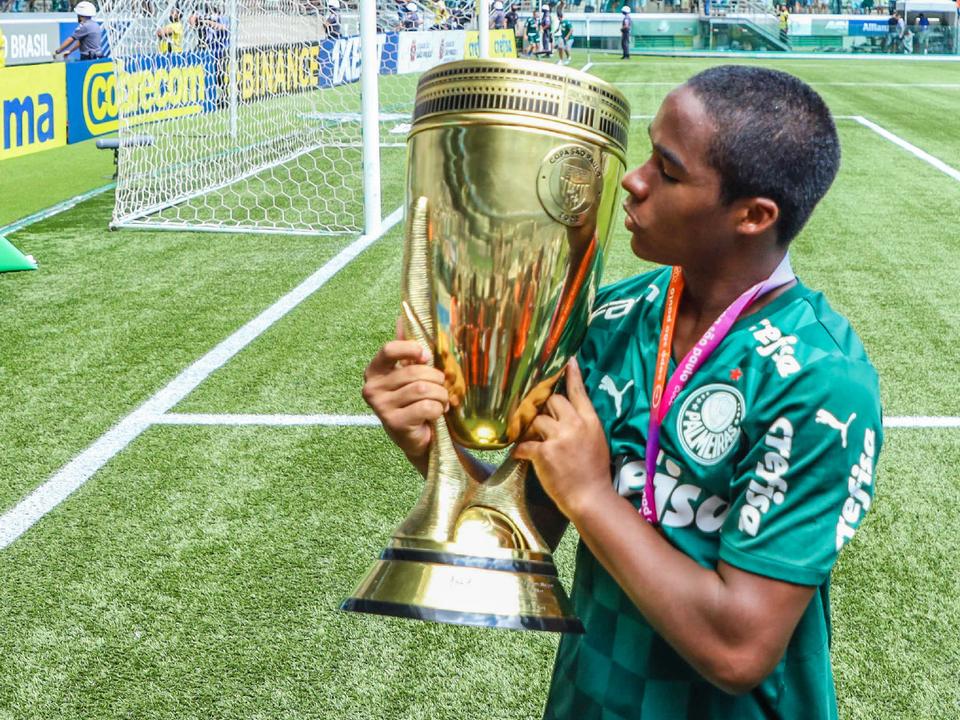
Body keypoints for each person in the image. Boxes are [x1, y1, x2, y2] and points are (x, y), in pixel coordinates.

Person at [361, 65, 882, 719]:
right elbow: (524, 524)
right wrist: (428, 442)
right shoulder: (612, 317)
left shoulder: (821, 382)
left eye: (668, 171)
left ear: (753, 216)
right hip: (589, 700)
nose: (633, 180)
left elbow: (738, 650)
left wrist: (590, 494)